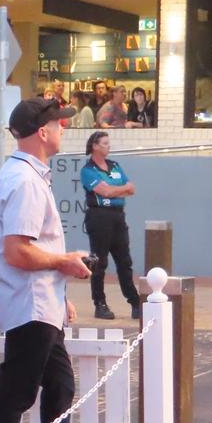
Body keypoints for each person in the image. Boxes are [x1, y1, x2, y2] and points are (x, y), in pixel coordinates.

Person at [0, 97, 105, 423]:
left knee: (58, 385)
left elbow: (25, 250)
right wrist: (65, 265)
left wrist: (60, 286)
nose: (64, 129)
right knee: (17, 393)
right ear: (43, 132)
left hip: (40, 302)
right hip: (30, 303)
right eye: (59, 124)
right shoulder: (26, 181)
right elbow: (18, 251)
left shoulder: (25, 175)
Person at [81, 131, 140, 320]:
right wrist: (117, 190)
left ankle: (134, 302)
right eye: (105, 143)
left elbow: (131, 188)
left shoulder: (115, 166)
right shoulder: (88, 169)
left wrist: (114, 190)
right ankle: (100, 303)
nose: (109, 146)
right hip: (99, 217)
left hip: (117, 216)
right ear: (95, 146)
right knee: (99, 262)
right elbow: (104, 192)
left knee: (124, 261)